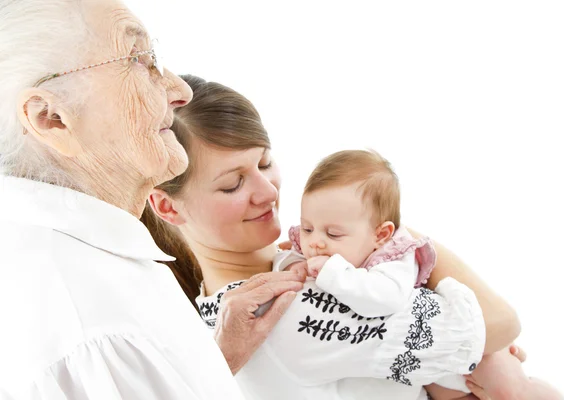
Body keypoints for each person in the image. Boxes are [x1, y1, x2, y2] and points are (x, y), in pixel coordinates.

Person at [143, 75, 523, 400]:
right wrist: (402, 238)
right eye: (232, 184)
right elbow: (499, 324)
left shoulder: (231, 300)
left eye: (264, 163)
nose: (269, 192)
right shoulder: (286, 308)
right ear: (168, 207)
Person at [0, 1, 304, 398]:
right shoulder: (96, 331)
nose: (180, 90)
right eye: (137, 60)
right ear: (51, 118)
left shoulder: (84, 271)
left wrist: (216, 361)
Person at [275, 149, 563, 400]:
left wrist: (332, 272)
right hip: (432, 370)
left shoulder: (395, 257)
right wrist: (292, 263)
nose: (315, 242)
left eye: (333, 232)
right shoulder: (328, 249)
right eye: (307, 227)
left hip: (477, 351)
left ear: (381, 234)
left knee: (514, 394)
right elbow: (292, 257)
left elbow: (382, 300)